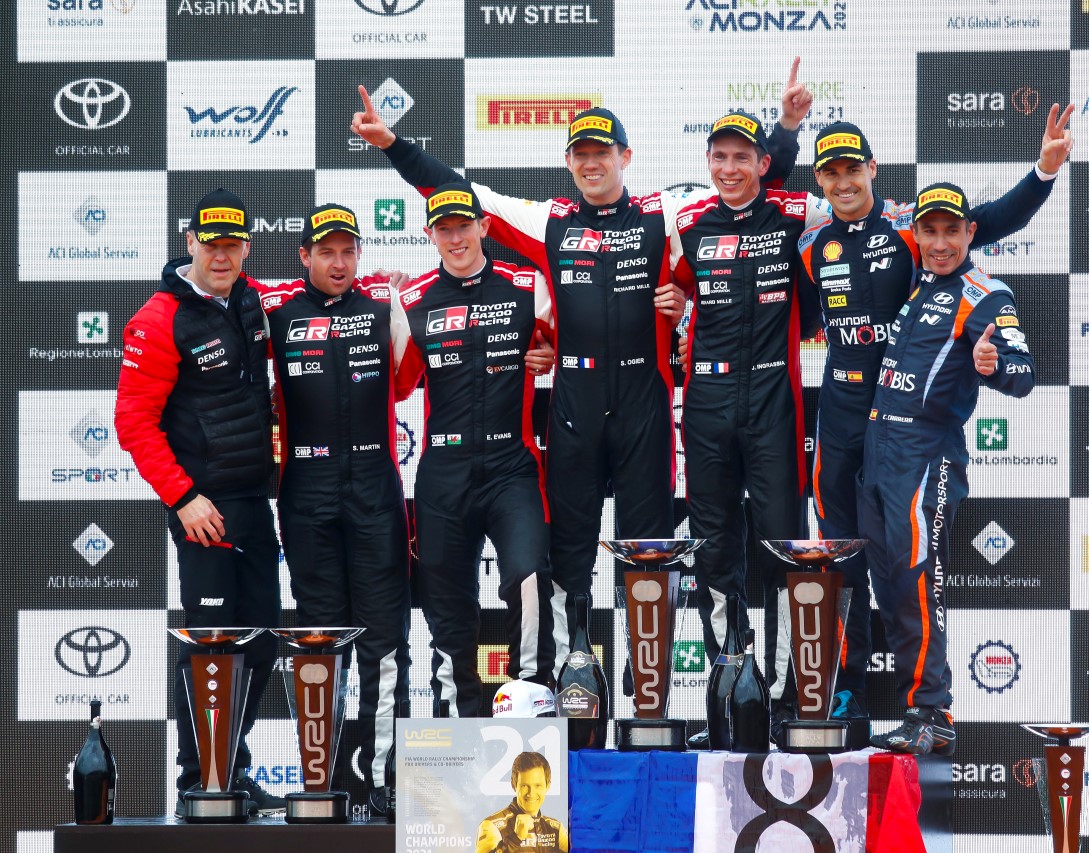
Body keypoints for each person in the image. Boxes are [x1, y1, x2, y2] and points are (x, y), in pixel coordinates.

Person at [351, 61, 811, 670]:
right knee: (569, 550)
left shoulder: (665, 214)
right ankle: (575, 675)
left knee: (648, 553)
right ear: (569, 163)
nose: (592, 164)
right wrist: (393, 145)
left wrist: (784, 131)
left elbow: (748, 186)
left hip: (646, 406)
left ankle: (649, 687)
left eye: (602, 153)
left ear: (625, 156)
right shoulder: (552, 221)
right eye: (580, 155)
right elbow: (461, 193)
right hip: (575, 409)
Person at [796, 106, 1074, 738]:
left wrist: (1042, 173)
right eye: (830, 172)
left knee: (907, 567)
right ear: (820, 180)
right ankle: (842, 690)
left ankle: (928, 705)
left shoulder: (909, 230)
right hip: (845, 420)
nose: (843, 181)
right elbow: (787, 314)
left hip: (915, 435)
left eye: (852, 169)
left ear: (873, 169)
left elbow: (989, 223)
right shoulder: (811, 244)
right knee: (839, 558)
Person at [114, 188, 283, 816]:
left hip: (254, 501)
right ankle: (199, 782)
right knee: (213, 645)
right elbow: (133, 422)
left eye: (232, 245)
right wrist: (183, 498)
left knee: (260, 642)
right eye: (211, 245)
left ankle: (229, 767)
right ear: (190, 243)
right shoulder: (158, 319)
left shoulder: (253, 299)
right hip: (202, 508)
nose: (221, 256)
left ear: (246, 247)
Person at [669, 110, 831, 745]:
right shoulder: (688, 224)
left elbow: (864, 217)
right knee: (713, 547)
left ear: (765, 164)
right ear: (708, 162)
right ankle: (728, 689)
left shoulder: (796, 213)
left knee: (782, 545)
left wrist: (788, 127)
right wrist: (674, 305)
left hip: (772, 401)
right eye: (720, 157)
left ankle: (788, 698)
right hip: (706, 403)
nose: (730, 168)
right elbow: (666, 288)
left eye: (743, 157)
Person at [859, 183, 1036, 754]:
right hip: (877, 451)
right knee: (888, 585)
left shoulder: (987, 294)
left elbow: (1023, 374)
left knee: (915, 579)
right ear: (915, 234)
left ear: (970, 233)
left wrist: (992, 364)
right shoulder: (916, 278)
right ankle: (921, 709)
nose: (940, 243)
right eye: (929, 231)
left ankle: (932, 711)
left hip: (926, 453)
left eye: (952, 231)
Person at [252, 204, 412, 814]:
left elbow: (414, 374)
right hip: (306, 491)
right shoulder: (276, 308)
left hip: (375, 488)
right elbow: (211, 291)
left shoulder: (383, 307)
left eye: (348, 252)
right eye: (326, 252)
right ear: (305, 256)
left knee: (384, 638)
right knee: (321, 638)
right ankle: (324, 779)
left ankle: (384, 776)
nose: (339, 263)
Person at [394, 184, 557, 717]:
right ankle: (453, 716)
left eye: (465, 226)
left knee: (529, 577)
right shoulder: (412, 302)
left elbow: (575, 341)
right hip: (443, 473)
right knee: (447, 601)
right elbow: (395, 385)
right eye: (444, 229)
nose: (456, 238)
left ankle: (530, 698)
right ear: (430, 235)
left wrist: (551, 353)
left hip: (512, 466)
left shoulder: (527, 286)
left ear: (484, 227)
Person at [476, 752, 568, 853]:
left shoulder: (556, 829)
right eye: (524, 786)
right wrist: (516, 838)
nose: (531, 793)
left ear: (548, 786)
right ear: (514, 785)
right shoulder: (492, 826)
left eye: (538, 786)